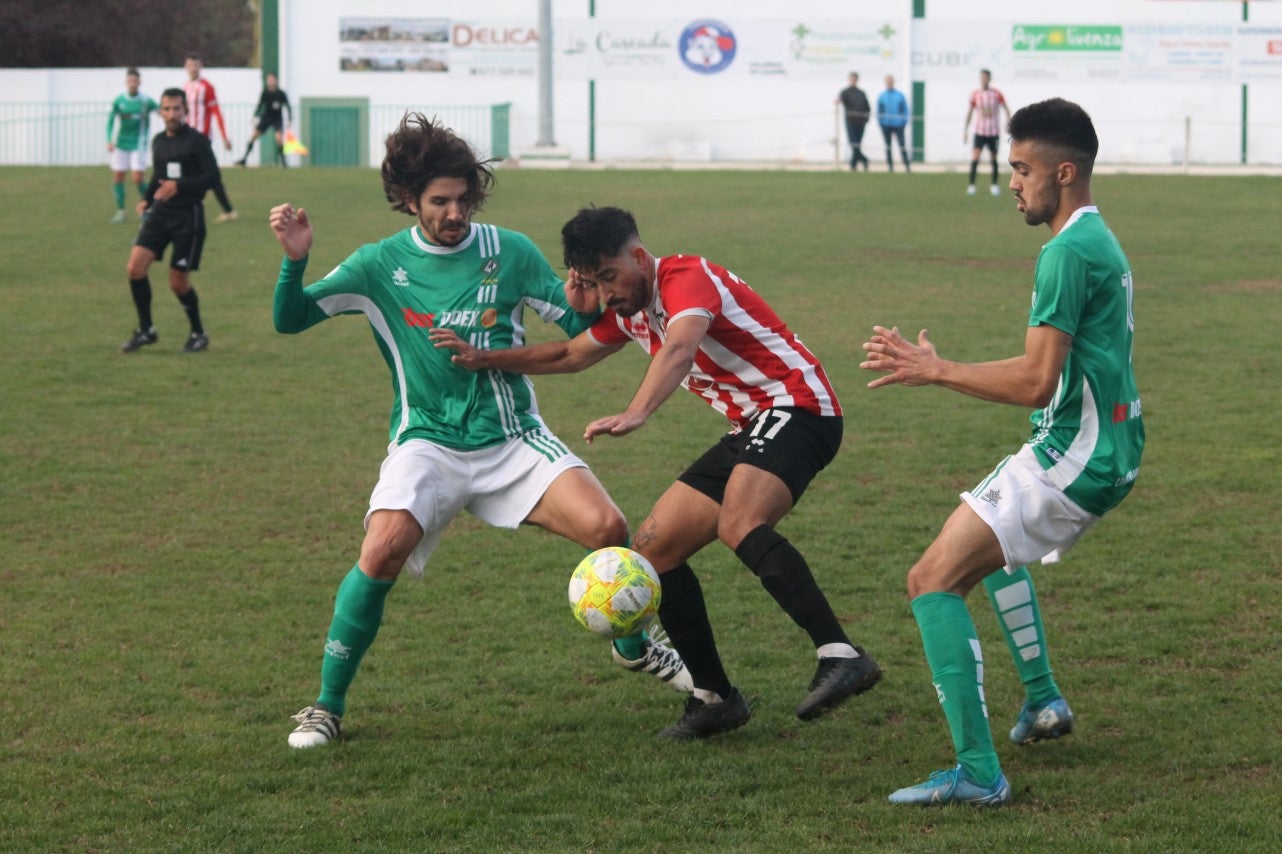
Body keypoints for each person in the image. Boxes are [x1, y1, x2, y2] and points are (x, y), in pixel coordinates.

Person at [269, 114, 692, 750]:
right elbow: (291, 319)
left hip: (512, 436)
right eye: (440, 201)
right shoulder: (380, 264)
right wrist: (294, 262)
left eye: (464, 198)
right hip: (428, 442)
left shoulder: (508, 250)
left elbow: (572, 315)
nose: (455, 211)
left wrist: (582, 295)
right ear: (410, 201)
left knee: (608, 531)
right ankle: (326, 706)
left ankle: (635, 646)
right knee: (381, 549)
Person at [432, 206, 883, 740]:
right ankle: (714, 697)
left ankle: (842, 654)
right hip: (752, 425)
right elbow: (570, 354)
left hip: (800, 408)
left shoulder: (686, 278)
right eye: (591, 283)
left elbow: (680, 346)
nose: (606, 295)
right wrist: (485, 358)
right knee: (653, 551)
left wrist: (638, 410)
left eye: (609, 277)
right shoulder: (627, 311)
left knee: (738, 522)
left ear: (639, 258)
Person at [860, 98, 1143, 806]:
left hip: (1075, 456)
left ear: (1065, 172)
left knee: (930, 579)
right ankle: (1043, 701)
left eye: (1023, 169)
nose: (1012, 182)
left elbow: (1034, 378)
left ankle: (979, 773)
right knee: (985, 541)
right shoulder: (1096, 238)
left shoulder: (1067, 252)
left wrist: (939, 370)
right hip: (1104, 443)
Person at [119, 88, 217, 354]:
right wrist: (147, 199)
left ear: (185, 111)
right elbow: (158, 176)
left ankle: (198, 333)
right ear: (160, 111)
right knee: (135, 268)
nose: (172, 114)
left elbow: (212, 177)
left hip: (188, 216)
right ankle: (146, 330)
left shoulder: (197, 141)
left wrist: (180, 186)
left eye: (177, 109)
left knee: (177, 283)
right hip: (161, 214)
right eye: (167, 109)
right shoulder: (159, 141)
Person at [183, 53, 238, 222]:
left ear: (200, 66)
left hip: (201, 137)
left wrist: (224, 136)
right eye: (190, 65)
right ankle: (226, 210)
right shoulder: (185, 87)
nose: (193, 68)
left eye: (195, 65)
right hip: (187, 136)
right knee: (199, 172)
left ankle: (227, 210)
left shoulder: (207, 87)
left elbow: (216, 112)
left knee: (206, 173)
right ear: (186, 67)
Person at [106, 67, 159, 224]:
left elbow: (161, 111)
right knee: (118, 177)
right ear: (126, 82)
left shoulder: (145, 101)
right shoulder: (119, 101)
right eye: (130, 80)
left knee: (137, 178)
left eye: (135, 80)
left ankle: (148, 208)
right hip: (122, 143)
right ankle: (121, 211)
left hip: (138, 144)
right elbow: (110, 121)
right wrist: (109, 139)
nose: (133, 83)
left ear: (139, 82)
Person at [963, 69, 1011, 196]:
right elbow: (970, 112)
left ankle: (994, 185)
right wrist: (965, 130)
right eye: (982, 77)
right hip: (979, 132)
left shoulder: (996, 94)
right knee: (975, 158)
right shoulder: (975, 94)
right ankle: (972, 185)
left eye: (986, 77)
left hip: (993, 132)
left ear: (989, 79)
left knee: (993, 159)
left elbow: (1006, 109)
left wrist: (1009, 124)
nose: (984, 80)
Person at [237, 73, 292, 167]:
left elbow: (288, 106)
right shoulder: (265, 93)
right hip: (266, 118)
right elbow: (260, 105)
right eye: (268, 79)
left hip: (277, 119)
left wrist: (290, 120)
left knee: (279, 139)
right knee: (254, 136)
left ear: (276, 80)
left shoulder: (281, 94)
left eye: (272, 79)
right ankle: (244, 159)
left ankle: (283, 162)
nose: (270, 81)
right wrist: (255, 116)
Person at [836, 72, 871, 172]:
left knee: (857, 144)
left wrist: (866, 119)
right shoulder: (845, 92)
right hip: (850, 122)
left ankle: (854, 165)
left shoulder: (861, 93)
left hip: (860, 122)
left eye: (854, 79)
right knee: (853, 144)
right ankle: (863, 160)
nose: (852, 80)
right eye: (851, 79)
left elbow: (867, 107)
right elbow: (839, 99)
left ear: (857, 80)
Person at [876, 75, 911, 173]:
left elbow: (905, 109)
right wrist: (881, 122)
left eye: (890, 81)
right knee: (888, 146)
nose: (889, 83)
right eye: (887, 82)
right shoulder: (882, 96)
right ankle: (890, 166)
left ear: (893, 82)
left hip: (898, 125)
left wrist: (903, 121)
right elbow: (879, 110)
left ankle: (907, 165)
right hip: (886, 124)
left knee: (902, 144)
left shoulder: (899, 95)